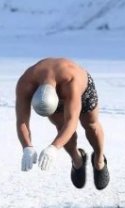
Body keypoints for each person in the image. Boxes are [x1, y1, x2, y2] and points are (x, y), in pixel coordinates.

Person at [15, 58, 110, 190]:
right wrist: (27, 147)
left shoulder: (71, 82)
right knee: (61, 127)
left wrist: (54, 148)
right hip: (55, 91)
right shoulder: (25, 84)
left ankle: (99, 160)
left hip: (81, 88)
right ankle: (77, 160)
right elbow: (22, 121)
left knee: (90, 124)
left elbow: (72, 121)